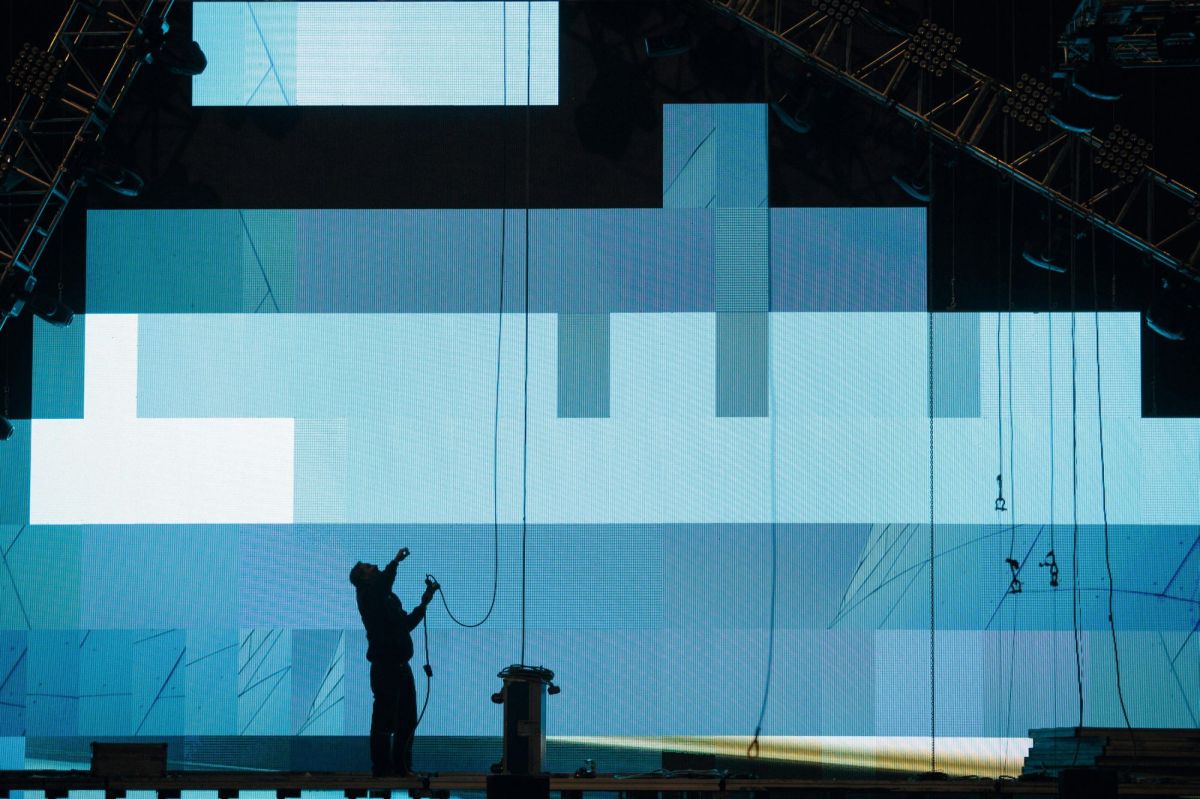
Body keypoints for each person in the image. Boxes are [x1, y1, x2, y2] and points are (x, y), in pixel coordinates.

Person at [350, 547, 439, 776]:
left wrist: (424, 603)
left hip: (401, 668)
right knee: (384, 721)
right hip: (385, 668)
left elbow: (405, 625)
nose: (375, 566)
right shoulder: (368, 596)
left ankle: (402, 767)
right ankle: (381, 769)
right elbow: (383, 587)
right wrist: (395, 561)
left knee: (407, 720)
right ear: (363, 579)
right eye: (368, 567)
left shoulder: (386, 598)